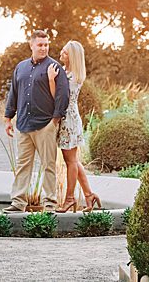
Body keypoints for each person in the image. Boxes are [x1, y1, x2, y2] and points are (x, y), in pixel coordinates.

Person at [2, 29, 69, 213]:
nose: (43, 48)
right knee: (23, 165)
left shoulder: (55, 67)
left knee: (48, 165)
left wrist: (55, 120)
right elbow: (13, 93)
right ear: (31, 45)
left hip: (45, 125)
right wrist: (8, 118)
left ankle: (50, 204)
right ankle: (18, 202)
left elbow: (63, 95)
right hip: (23, 125)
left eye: (46, 45)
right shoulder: (20, 67)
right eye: (40, 45)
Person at [48, 40, 101, 212]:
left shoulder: (72, 77)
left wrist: (50, 80)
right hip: (68, 118)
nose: (61, 54)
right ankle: (89, 195)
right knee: (73, 160)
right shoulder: (65, 72)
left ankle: (70, 199)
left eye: (64, 52)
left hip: (68, 121)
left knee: (70, 161)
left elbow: (58, 97)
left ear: (72, 56)